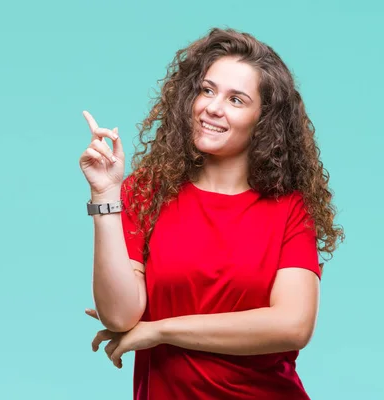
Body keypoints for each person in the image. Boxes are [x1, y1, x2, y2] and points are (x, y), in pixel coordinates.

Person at [78, 27, 345, 399]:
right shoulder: (146, 191)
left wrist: (160, 330)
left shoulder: (289, 207)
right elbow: (120, 316)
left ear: (263, 119)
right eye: (207, 90)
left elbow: (293, 325)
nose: (213, 107)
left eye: (236, 100)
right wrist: (106, 195)